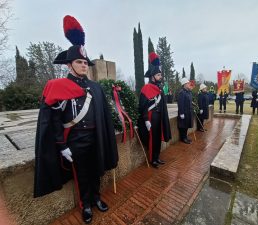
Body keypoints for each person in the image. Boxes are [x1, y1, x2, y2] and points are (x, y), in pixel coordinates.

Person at [34, 15, 118, 224]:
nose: (83, 65)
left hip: (95, 136)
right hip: (75, 140)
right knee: (81, 175)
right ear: (69, 65)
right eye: (79, 62)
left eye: (84, 62)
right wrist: (62, 145)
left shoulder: (95, 88)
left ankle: (97, 198)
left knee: (96, 170)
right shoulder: (59, 87)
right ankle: (86, 205)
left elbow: (103, 116)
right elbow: (53, 120)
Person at [138, 52, 172, 168]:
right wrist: (146, 120)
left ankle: (157, 157)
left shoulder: (159, 88)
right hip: (151, 117)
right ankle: (152, 159)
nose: (160, 77)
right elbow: (143, 106)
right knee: (152, 139)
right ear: (152, 76)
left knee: (158, 138)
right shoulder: (146, 88)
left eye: (160, 75)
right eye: (158, 75)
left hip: (159, 117)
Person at [177, 78, 193, 144]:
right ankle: (183, 138)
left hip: (188, 112)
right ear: (184, 84)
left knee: (186, 125)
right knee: (183, 126)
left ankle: (185, 137)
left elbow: (189, 101)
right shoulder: (182, 92)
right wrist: (181, 113)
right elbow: (180, 103)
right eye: (187, 83)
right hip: (184, 112)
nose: (189, 84)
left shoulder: (188, 92)